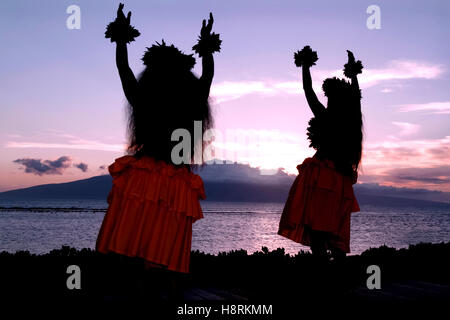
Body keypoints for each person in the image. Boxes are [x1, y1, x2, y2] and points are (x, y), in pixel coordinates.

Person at [96, 3, 221, 296]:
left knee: (134, 246)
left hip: (144, 177)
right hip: (177, 182)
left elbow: (123, 69)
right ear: (184, 81)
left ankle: (137, 291)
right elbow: (207, 78)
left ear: (152, 77)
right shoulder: (191, 104)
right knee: (164, 249)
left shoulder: (143, 99)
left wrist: (122, 37)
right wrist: (206, 46)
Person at [278, 46, 363, 262]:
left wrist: (305, 66)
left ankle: (324, 280)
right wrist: (353, 76)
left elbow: (308, 91)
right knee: (335, 233)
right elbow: (356, 100)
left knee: (318, 233)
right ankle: (336, 282)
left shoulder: (327, 118)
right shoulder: (352, 125)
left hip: (324, 179)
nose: (326, 101)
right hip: (340, 182)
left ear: (334, 101)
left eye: (330, 98)